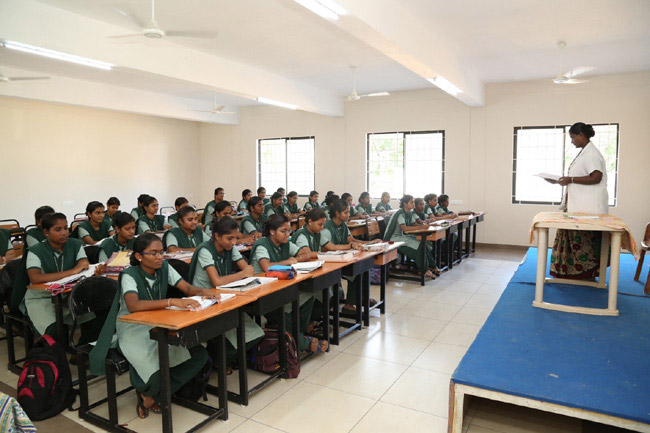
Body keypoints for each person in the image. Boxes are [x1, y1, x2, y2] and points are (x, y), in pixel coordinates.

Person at [89, 233, 216, 419]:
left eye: (161, 252)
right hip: (133, 327)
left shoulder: (164, 267)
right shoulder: (129, 274)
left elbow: (187, 289)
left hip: (160, 321)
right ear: (139, 256)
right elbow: (133, 306)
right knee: (155, 372)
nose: (159, 257)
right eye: (153, 253)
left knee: (198, 356)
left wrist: (206, 292)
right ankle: (154, 392)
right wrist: (172, 301)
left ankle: (150, 396)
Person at [188, 217, 264, 366]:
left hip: (223, 294)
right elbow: (217, 281)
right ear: (217, 236)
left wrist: (245, 272)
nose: (233, 242)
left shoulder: (230, 247)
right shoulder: (205, 250)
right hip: (204, 298)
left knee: (254, 334)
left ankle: (229, 358)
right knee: (230, 333)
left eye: (235, 238)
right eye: (229, 238)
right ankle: (218, 360)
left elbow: (248, 269)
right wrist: (242, 274)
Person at [250, 215, 325, 353]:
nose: (287, 234)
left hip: (280, 287)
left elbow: (306, 255)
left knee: (308, 296)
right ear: (272, 232)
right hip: (262, 293)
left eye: (289, 231)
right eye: (283, 231)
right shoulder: (262, 244)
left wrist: (296, 259)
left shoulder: (286, 243)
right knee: (287, 308)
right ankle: (301, 342)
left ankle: (297, 335)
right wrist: (287, 262)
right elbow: (266, 267)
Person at [23, 213, 103, 342]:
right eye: (58, 230)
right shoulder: (35, 250)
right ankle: (53, 356)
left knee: (99, 313)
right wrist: (72, 272)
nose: (64, 233)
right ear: (46, 232)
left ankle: (82, 350)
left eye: (66, 228)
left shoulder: (75, 244)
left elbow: (83, 264)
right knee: (52, 330)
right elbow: (35, 278)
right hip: (42, 298)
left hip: (68, 294)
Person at [546, 122, 609, 279]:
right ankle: (576, 272)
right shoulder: (585, 152)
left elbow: (596, 177)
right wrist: (560, 181)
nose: (572, 141)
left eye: (573, 137)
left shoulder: (591, 154)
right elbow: (578, 177)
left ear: (581, 135)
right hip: (579, 204)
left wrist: (571, 179)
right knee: (575, 237)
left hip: (588, 207)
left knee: (584, 240)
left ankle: (584, 273)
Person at [322, 199, 376, 315]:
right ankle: (349, 305)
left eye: (348, 212)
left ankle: (362, 297)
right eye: (346, 212)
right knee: (356, 272)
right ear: (337, 213)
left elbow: (352, 240)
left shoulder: (343, 225)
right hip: (331, 263)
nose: (348, 215)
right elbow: (330, 248)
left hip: (344, 259)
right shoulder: (327, 228)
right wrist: (350, 245)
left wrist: (370, 243)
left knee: (363, 268)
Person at [384, 195, 437, 279]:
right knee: (418, 245)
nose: (413, 204)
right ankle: (424, 269)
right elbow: (404, 228)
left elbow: (414, 224)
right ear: (405, 203)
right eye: (411, 202)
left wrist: (427, 224)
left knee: (423, 242)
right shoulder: (400, 213)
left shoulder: (409, 213)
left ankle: (432, 265)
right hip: (394, 238)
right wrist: (421, 227)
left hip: (402, 236)